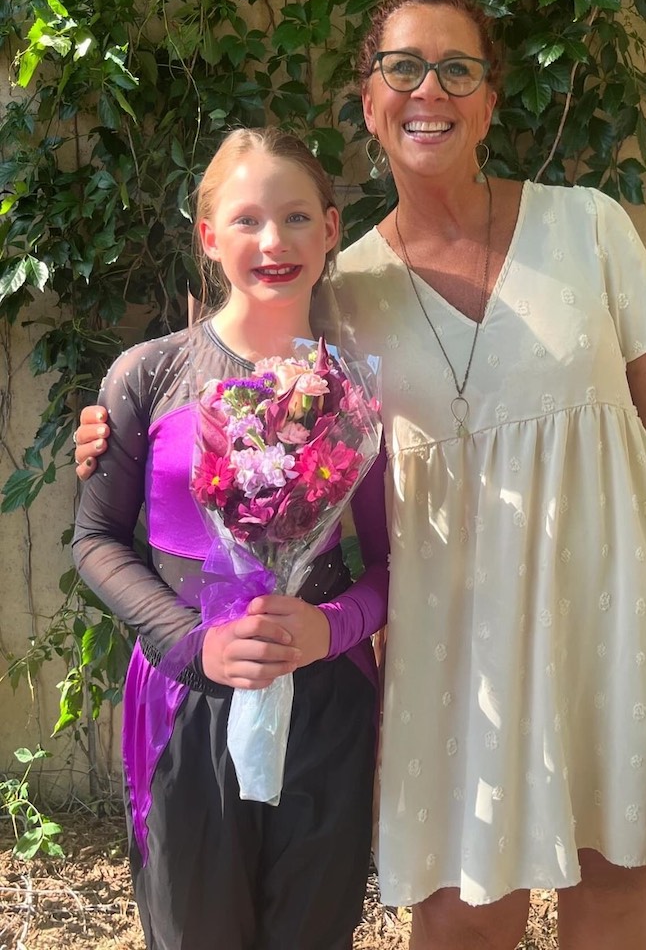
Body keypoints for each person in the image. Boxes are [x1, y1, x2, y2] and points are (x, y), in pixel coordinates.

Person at [75, 0, 646, 950]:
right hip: (454, 636)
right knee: (461, 904)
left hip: (613, 604)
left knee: (615, 878)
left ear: (491, 99)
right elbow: (232, 379)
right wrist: (116, 424)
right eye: (403, 67)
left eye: (457, 68)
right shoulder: (341, 288)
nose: (428, 89)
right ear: (369, 100)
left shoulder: (590, 227)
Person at [72, 127, 389, 950]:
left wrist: (332, 626)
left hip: (324, 694)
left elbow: (397, 564)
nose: (272, 241)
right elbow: (97, 540)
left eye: (293, 218)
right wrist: (190, 642)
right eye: (246, 220)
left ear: (330, 228)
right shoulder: (148, 375)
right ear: (209, 238)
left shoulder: (358, 390)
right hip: (186, 698)